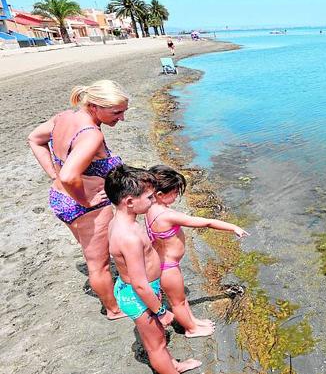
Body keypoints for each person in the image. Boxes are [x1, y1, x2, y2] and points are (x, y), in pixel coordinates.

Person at [28, 80, 128, 320]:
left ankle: (111, 297)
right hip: (84, 206)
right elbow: (70, 175)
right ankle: (114, 310)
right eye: (116, 112)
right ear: (94, 106)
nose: (122, 118)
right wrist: (86, 201)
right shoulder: (91, 135)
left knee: (92, 254)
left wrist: (53, 174)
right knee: (98, 263)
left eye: (124, 111)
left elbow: (34, 139)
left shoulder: (63, 117)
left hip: (59, 198)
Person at [105, 165, 202, 374]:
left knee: (158, 339)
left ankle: (173, 365)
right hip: (139, 295)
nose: (152, 201)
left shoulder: (122, 221)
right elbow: (139, 284)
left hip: (139, 289)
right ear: (130, 202)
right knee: (156, 345)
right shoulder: (128, 237)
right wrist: (161, 311)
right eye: (149, 197)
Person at [147, 165, 249, 337]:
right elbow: (207, 222)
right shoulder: (168, 216)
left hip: (165, 262)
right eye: (174, 192)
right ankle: (191, 329)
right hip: (167, 267)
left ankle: (192, 320)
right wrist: (233, 227)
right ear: (160, 194)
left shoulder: (150, 208)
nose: (177, 196)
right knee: (177, 302)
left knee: (180, 298)